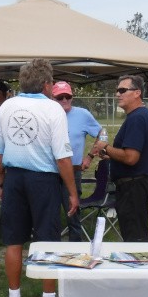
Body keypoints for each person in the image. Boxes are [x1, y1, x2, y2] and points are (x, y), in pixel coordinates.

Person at [0, 59, 78, 297]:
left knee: (13, 240)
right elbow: (62, 158)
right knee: (47, 240)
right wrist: (72, 192)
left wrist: (2, 183)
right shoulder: (53, 109)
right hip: (43, 180)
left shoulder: (7, 106)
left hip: (14, 178)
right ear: (47, 84)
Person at [92, 75, 148, 242]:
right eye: (117, 90)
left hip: (133, 188)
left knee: (135, 241)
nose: (117, 94)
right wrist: (110, 155)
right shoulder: (138, 116)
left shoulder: (137, 118)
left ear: (137, 93)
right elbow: (132, 155)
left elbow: (131, 158)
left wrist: (105, 146)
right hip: (133, 186)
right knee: (133, 237)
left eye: (122, 90)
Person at [52, 81, 102, 241]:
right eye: (60, 97)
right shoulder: (48, 114)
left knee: (73, 212)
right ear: (53, 98)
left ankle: (75, 245)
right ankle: (50, 246)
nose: (64, 100)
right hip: (50, 172)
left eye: (68, 96)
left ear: (72, 97)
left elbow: (102, 134)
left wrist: (90, 156)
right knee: (49, 213)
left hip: (73, 171)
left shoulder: (82, 114)